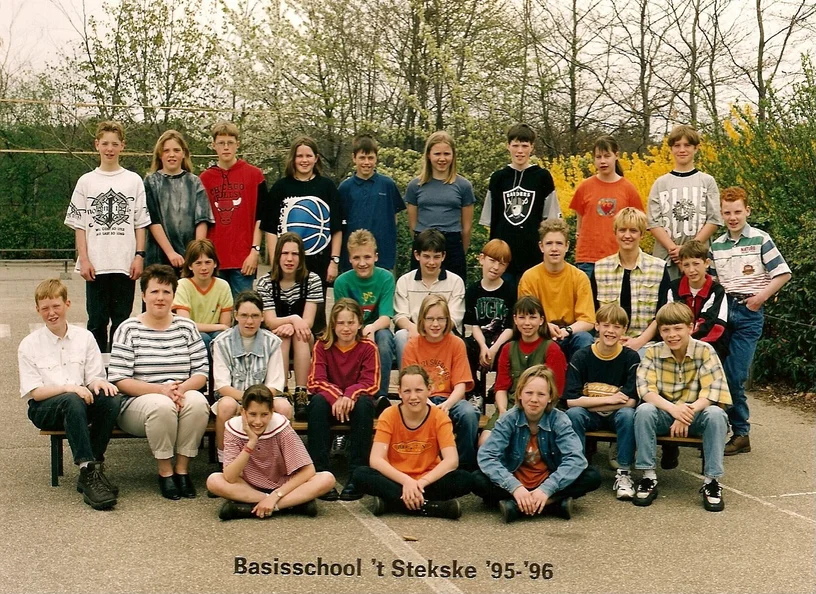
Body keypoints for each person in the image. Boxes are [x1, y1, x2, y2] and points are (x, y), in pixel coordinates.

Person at [108, 265, 211, 500]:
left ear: (174, 296)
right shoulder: (129, 329)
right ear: (144, 295)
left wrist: (180, 389)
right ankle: (165, 472)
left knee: (197, 402)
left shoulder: (186, 327)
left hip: (180, 393)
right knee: (161, 406)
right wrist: (161, 390)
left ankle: (182, 470)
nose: (160, 298)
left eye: (166, 292)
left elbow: (201, 373)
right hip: (138, 403)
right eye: (154, 292)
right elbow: (120, 379)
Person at [18, 279, 121, 510]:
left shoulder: (85, 338)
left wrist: (100, 383)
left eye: (56, 306)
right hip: (45, 408)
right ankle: (88, 470)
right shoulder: (29, 344)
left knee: (111, 399)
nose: (51, 313)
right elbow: (35, 392)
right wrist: (69, 388)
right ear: (37, 310)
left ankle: (91, 470)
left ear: (67, 304)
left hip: (80, 403)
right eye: (45, 308)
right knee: (72, 400)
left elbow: (94, 377)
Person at [709, 186, 791, 456]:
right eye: (727, 213)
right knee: (715, 373)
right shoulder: (717, 246)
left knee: (735, 376)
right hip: (723, 312)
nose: (732, 218)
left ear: (747, 211)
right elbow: (712, 281)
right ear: (722, 214)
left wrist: (760, 298)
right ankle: (714, 430)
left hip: (748, 312)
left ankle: (741, 432)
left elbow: (782, 273)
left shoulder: (760, 239)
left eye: (737, 212)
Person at [632, 302, 731, 511]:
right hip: (665, 414)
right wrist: (673, 410)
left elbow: (713, 392)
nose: (672, 335)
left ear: (690, 327)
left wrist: (686, 413)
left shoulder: (705, 351)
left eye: (678, 328)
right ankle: (648, 477)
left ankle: (712, 482)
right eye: (665, 330)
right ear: (659, 331)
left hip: (695, 414)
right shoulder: (652, 352)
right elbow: (646, 391)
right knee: (644, 411)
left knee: (716, 414)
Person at [64, 120, 151, 353]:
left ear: (122, 146)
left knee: (122, 321)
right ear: (97, 145)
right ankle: (97, 368)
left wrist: (139, 256)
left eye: (114, 144)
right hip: (96, 265)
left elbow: (140, 223)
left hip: (124, 264)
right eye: (105, 144)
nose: (109, 149)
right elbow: (79, 225)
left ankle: (119, 368)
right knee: (97, 321)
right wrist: (84, 258)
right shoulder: (86, 181)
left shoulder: (133, 180)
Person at [474, 365, 602, 523]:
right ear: (520, 394)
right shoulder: (508, 419)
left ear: (550, 397)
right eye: (529, 393)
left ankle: (520, 506)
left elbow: (575, 458)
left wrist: (547, 489)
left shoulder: (559, 420)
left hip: (547, 480)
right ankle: (553, 505)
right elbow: (487, 456)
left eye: (541, 394)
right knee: (477, 479)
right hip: (514, 479)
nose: (534, 399)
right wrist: (515, 487)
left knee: (592, 476)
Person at [352, 366, 474, 519]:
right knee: (360, 474)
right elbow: (376, 459)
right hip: (396, 479)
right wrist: (406, 481)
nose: (413, 397)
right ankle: (430, 507)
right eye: (407, 391)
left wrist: (421, 483)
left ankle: (392, 502)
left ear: (429, 390)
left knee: (465, 478)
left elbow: (451, 460)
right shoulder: (389, 415)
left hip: (428, 481)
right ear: (399, 392)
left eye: (419, 390)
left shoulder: (439, 417)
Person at [206, 385, 335, 520]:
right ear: (243, 412)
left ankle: (251, 508)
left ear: (272, 412)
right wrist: (251, 443)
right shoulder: (233, 428)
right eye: (252, 414)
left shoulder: (281, 427)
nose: (258, 421)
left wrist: (276, 495)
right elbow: (230, 477)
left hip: (283, 484)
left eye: (264, 415)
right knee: (214, 481)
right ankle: (291, 504)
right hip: (249, 486)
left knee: (327, 479)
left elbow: (308, 470)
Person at [261, 135, 343, 335]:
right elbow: (270, 229)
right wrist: (274, 261)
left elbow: (336, 229)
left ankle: (314, 352)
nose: (304, 160)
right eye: (300, 156)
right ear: (293, 158)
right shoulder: (281, 187)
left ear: (316, 158)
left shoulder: (327, 187)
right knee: (285, 315)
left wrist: (334, 261)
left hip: (318, 260)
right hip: (287, 262)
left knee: (316, 319)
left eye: (308, 156)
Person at [563, 303, 640, 500]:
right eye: (606, 325)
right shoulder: (581, 356)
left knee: (628, 415)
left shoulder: (631, 357)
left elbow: (630, 402)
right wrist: (611, 399)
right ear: (597, 326)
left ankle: (624, 473)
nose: (610, 331)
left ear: (624, 330)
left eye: (616, 326)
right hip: (591, 416)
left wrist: (592, 402)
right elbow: (571, 401)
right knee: (574, 415)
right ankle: (578, 469)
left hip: (617, 415)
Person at [306, 299, 379, 501]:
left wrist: (348, 396)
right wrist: (337, 396)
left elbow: (371, 382)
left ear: (360, 323)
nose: (346, 328)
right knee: (317, 403)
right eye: (341, 323)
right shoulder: (322, 345)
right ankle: (320, 473)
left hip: (355, 404)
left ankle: (357, 475)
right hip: (331, 404)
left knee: (365, 404)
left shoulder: (368, 347)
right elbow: (315, 380)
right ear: (333, 324)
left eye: (351, 322)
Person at [210, 291, 294, 467]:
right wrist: (248, 401)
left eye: (255, 316)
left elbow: (275, 384)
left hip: (265, 399)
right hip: (233, 398)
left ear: (262, 317)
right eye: (244, 315)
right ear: (235, 315)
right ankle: (224, 460)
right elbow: (222, 385)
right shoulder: (221, 342)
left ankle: (280, 460)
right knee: (226, 406)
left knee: (284, 407)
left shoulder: (273, 342)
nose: (249, 321)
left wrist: (256, 404)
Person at [402, 295, 478, 470]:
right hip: (420, 399)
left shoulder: (456, 344)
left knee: (469, 413)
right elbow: (410, 386)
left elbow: (461, 385)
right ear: (422, 320)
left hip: (450, 399)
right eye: (430, 319)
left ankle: (464, 466)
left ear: (447, 320)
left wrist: (447, 405)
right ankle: (419, 464)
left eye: (440, 319)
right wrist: (429, 405)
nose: (435, 324)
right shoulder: (412, 345)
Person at [479, 123, 562, 284]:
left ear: (532, 147)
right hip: (502, 257)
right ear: (508, 146)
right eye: (515, 145)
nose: (520, 151)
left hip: (532, 254)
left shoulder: (542, 177)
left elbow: (552, 220)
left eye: (524, 146)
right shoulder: (498, 178)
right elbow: (491, 219)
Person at [481, 295, 567, 446]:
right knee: (485, 442)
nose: (527, 323)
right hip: (511, 406)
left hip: (542, 409)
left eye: (532, 317)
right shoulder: (508, 348)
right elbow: (501, 388)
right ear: (515, 319)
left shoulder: (552, 349)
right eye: (522, 317)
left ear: (541, 320)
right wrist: (503, 412)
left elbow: (556, 393)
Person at [255, 232, 323, 419]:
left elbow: (308, 322)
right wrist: (293, 319)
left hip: (305, 339)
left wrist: (294, 324)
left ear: (301, 258)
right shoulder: (266, 282)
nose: (289, 259)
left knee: (299, 334)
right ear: (278, 255)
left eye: (295, 254)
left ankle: (301, 393)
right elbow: (270, 321)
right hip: (274, 339)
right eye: (285, 253)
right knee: (282, 336)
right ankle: (282, 390)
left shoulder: (312, 280)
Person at [200, 121, 268, 296]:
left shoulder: (255, 175)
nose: (226, 147)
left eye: (230, 143)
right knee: (214, 309)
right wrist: (202, 256)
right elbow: (201, 220)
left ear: (237, 144)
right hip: (213, 259)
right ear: (213, 145)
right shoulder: (204, 179)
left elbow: (261, 217)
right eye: (221, 143)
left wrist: (255, 251)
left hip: (243, 259)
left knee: (243, 307)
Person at [647, 124, 722, 280]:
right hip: (667, 258)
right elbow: (653, 222)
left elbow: (714, 219)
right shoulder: (660, 183)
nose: (682, 150)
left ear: (696, 148)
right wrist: (673, 249)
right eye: (677, 145)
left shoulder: (707, 181)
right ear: (671, 148)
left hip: (698, 257)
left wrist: (688, 249)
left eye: (687, 145)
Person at [592, 207, 671, 354]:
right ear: (615, 233)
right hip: (605, 342)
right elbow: (593, 311)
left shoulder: (658, 268)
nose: (627, 235)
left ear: (642, 234)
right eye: (622, 230)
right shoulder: (600, 268)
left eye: (633, 231)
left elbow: (662, 314)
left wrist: (639, 342)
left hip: (645, 344)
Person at [333, 230, 396, 412]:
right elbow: (341, 319)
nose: (362, 263)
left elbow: (386, 318)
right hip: (350, 329)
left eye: (367, 257)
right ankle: (350, 392)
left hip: (376, 330)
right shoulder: (342, 282)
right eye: (356, 258)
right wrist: (358, 331)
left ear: (376, 256)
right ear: (350, 259)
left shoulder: (386, 278)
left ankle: (380, 395)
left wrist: (371, 328)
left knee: (384, 337)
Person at [517, 218, 595, 361]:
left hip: (570, 333)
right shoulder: (529, 277)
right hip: (540, 332)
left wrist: (566, 331)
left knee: (585, 339)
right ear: (541, 246)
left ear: (567, 246)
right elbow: (525, 317)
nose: (554, 248)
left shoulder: (579, 277)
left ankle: (579, 375)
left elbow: (588, 321)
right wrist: (545, 327)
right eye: (549, 243)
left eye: (559, 243)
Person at [570, 135, 644, 278]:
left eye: (607, 156)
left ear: (616, 156)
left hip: (618, 258)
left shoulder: (628, 189)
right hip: (588, 258)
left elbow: (639, 223)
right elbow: (580, 223)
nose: (602, 161)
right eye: (598, 157)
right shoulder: (585, 187)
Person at [405, 130, 474, 281]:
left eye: (446, 154)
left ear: (453, 156)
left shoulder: (464, 186)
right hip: (424, 244)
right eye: (437, 154)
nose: (442, 159)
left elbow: (467, 227)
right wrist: (424, 244)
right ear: (428, 155)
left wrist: (459, 251)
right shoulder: (415, 186)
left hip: (452, 245)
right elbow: (413, 225)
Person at [393, 229, 465, 367]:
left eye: (436, 257)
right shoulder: (404, 281)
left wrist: (434, 331)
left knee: (454, 338)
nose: (431, 262)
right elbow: (400, 315)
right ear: (417, 255)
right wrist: (413, 328)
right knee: (401, 336)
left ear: (443, 256)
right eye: (426, 256)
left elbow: (455, 318)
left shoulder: (455, 282)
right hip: (414, 331)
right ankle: (408, 377)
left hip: (443, 331)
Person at [143, 129, 213, 272]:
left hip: (188, 260)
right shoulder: (151, 182)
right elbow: (153, 221)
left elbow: (202, 220)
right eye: (166, 150)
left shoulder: (194, 182)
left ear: (184, 153)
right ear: (160, 154)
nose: (172, 155)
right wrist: (170, 253)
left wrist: (196, 255)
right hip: (158, 258)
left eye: (176, 150)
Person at [338, 134, 405, 272]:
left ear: (376, 158)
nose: (366, 162)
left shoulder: (387, 185)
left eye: (370, 158)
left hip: (383, 256)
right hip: (354, 259)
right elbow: (340, 223)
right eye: (362, 158)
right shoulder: (345, 188)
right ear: (354, 158)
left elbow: (394, 218)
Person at [463, 239, 515, 406]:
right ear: (481, 259)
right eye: (492, 261)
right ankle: (474, 389)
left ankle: (500, 387)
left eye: (501, 263)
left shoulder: (510, 290)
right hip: (480, 338)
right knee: (464, 346)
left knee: (511, 349)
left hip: (502, 339)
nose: (495, 267)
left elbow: (510, 327)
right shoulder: (473, 290)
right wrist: (483, 346)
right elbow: (474, 325)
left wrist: (494, 347)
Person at [666, 239, 730, 360]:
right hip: (677, 344)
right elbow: (670, 319)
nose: (691, 270)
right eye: (686, 265)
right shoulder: (674, 288)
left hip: (709, 346)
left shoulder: (717, 291)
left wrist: (692, 345)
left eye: (696, 264)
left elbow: (717, 325)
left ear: (706, 263)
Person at [172, 239, 233, 352]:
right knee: (203, 338)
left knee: (221, 337)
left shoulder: (223, 286)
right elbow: (186, 324)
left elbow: (225, 325)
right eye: (198, 263)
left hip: (215, 332)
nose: (204, 268)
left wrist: (220, 328)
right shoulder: (182, 285)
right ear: (190, 266)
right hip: (189, 334)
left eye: (208, 262)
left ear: (215, 263)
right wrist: (219, 327)